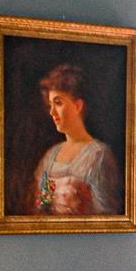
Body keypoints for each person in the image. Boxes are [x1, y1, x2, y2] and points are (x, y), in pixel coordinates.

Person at [34, 63, 123, 216]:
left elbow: (107, 215)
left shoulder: (99, 155)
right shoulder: (51, 155)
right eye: (50, 104)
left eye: (58, 103)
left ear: (77, 106)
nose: (52, 112)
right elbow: (41, 206)